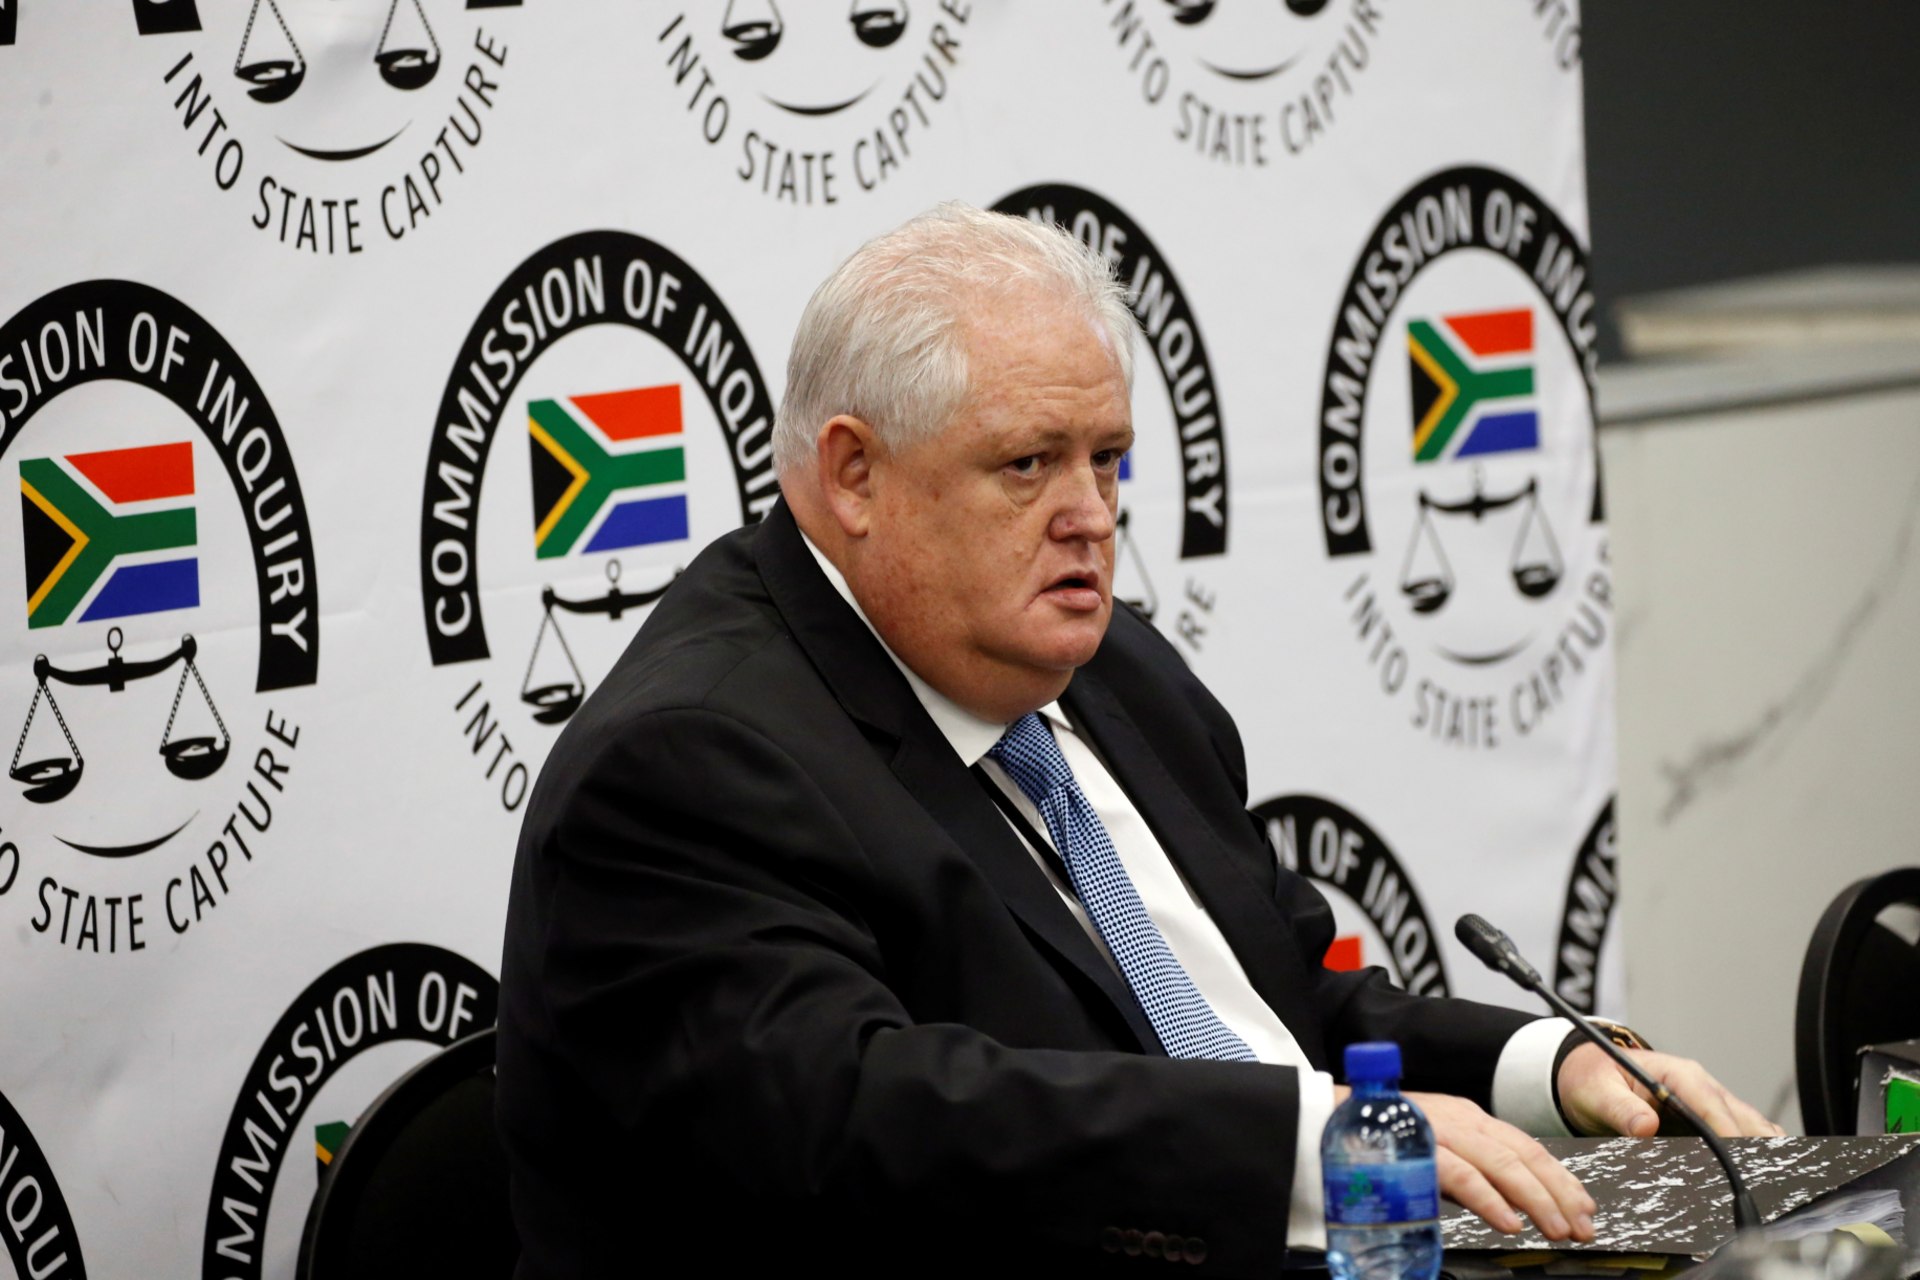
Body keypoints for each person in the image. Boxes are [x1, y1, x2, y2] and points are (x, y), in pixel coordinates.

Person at [496, 204, 1777, 1278]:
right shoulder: (689, 762)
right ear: (852, 476)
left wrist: (1546, 1066)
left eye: (1107, 459)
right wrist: (1320, 1146)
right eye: (1027, 464)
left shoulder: (1111, 668)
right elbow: (877, 1118)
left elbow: (1276, 1004)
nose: (1091, 518)